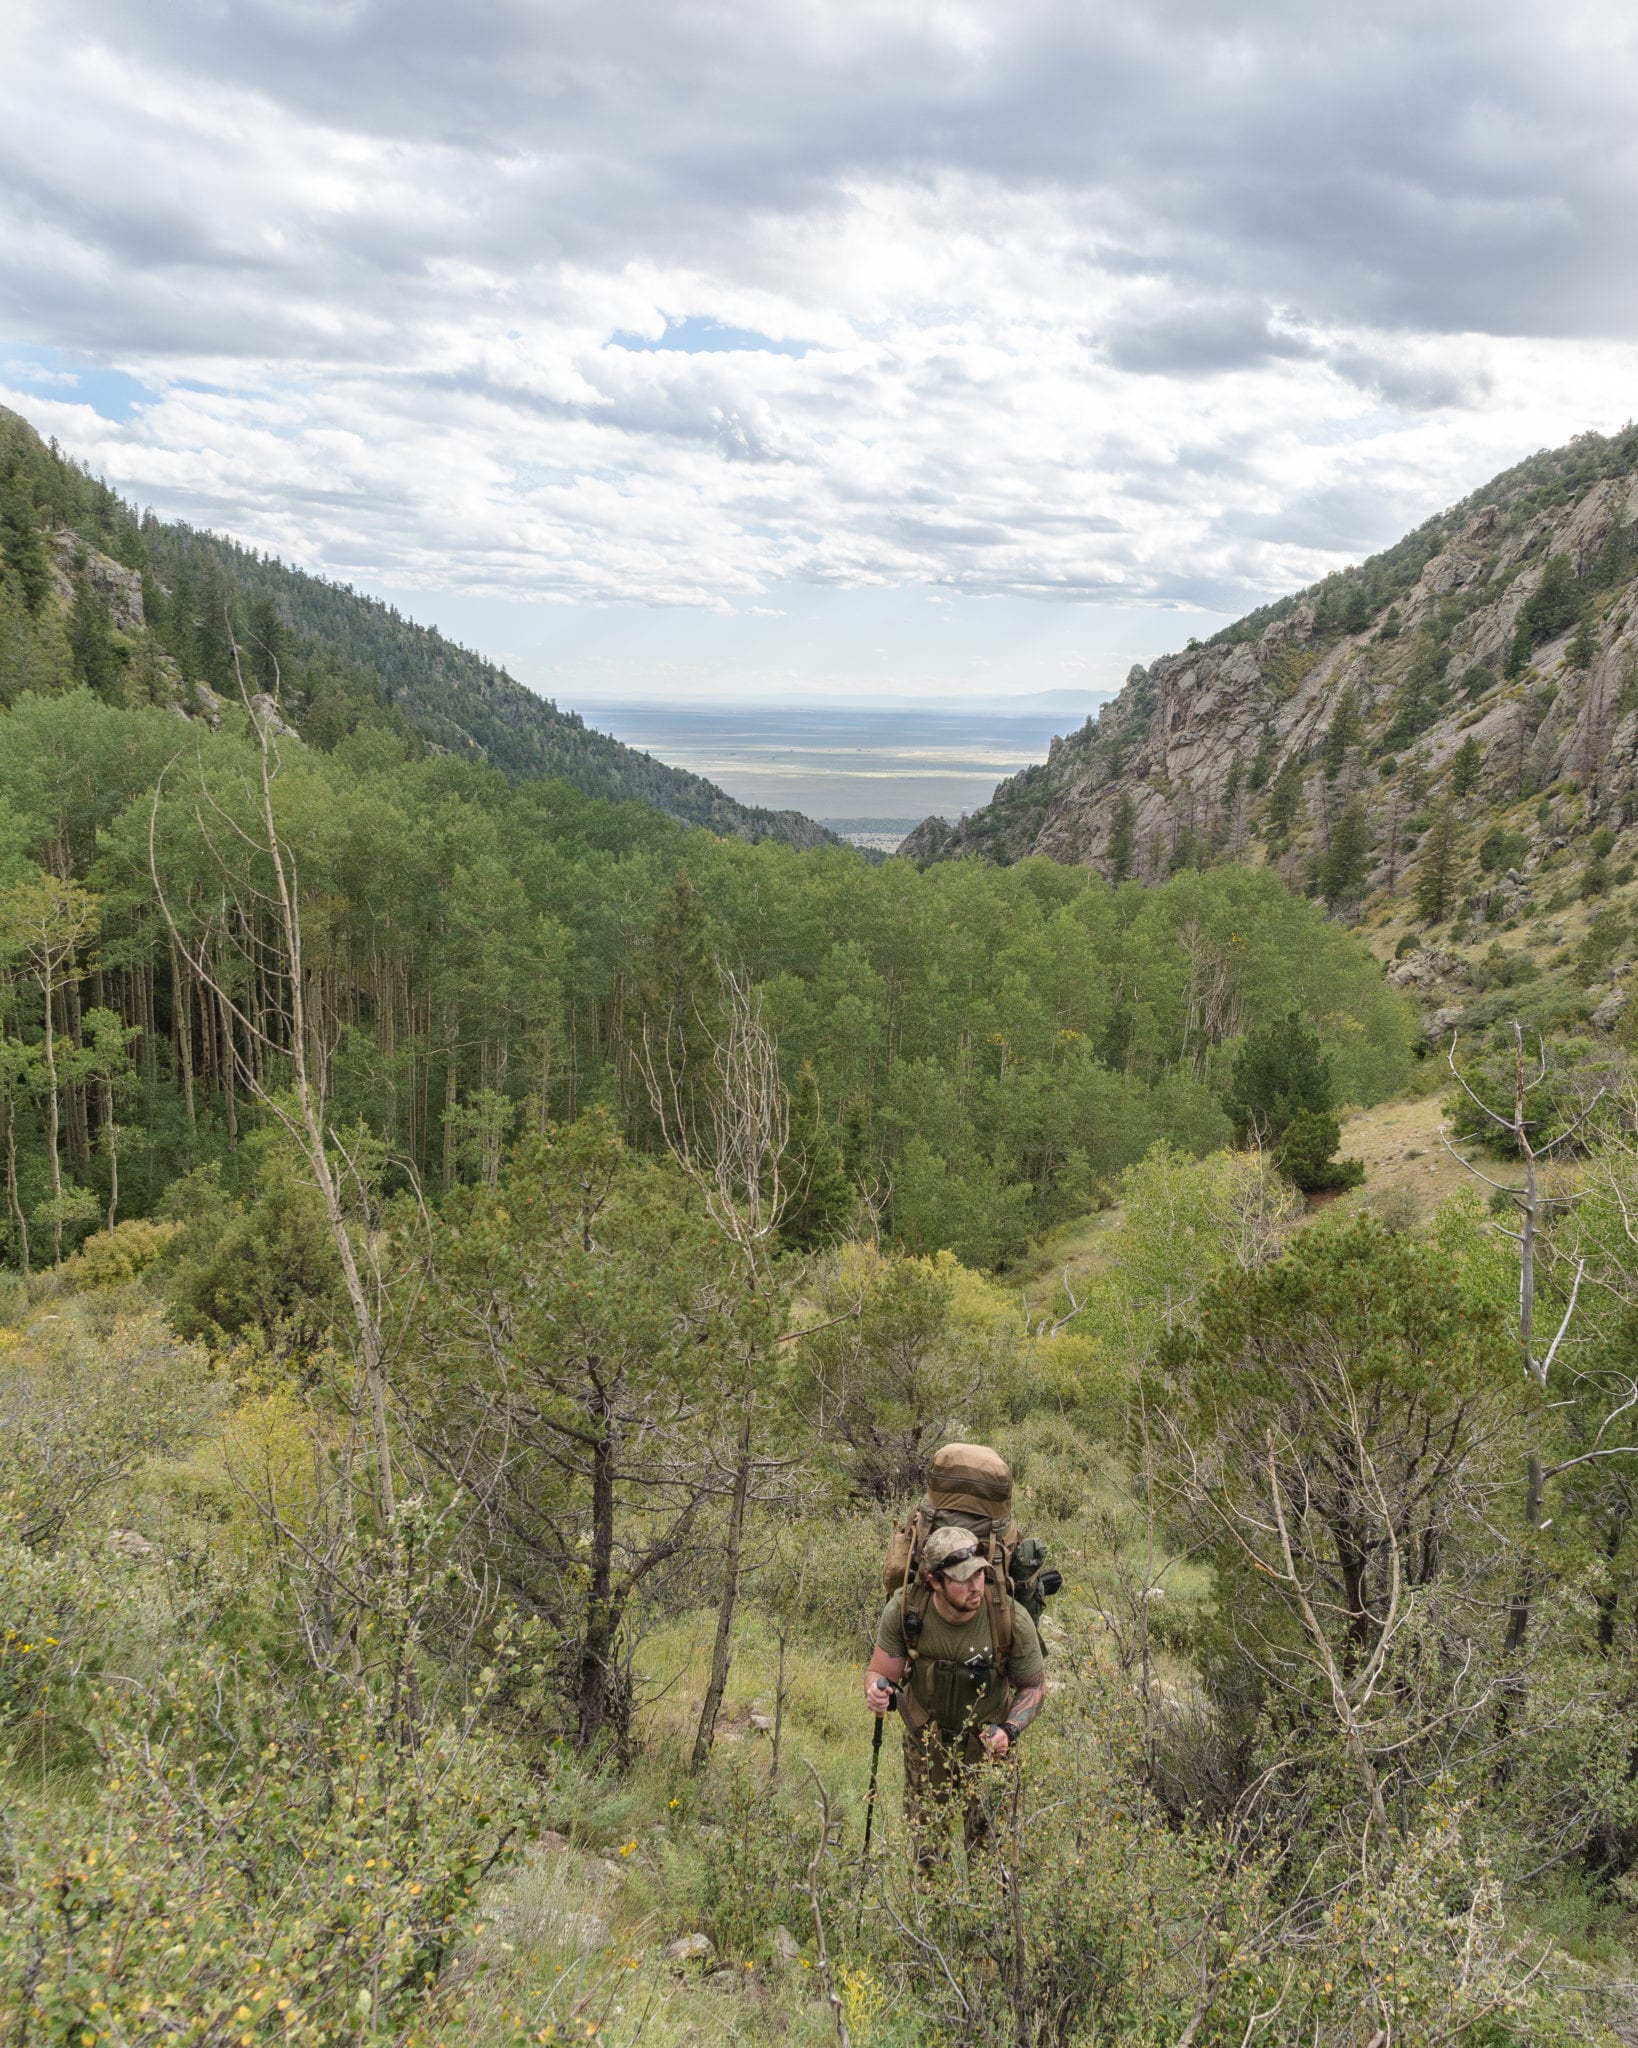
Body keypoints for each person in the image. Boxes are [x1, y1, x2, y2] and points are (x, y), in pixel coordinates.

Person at [864, 1525, 1047, 1865]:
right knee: (928, 1857)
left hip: (989, 1751)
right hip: (925, 1745)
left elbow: (1034, 1686)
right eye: (963, 1579)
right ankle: (933, 1918)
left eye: (980, 1574)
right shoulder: (906, 1611)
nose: (976, 1586)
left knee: (990, 1859)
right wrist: (875, 1691)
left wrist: (1009, 1731)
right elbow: (880, 1673)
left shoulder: (1009, 1618)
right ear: (934, 1581)